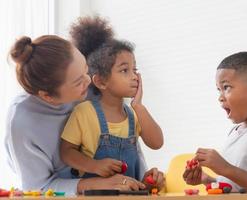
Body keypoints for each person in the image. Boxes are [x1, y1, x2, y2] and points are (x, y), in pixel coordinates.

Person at [5, 35, 147, 194]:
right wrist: (96, 184)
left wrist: (144, 178)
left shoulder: (91, 91)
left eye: (86, 70)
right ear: (47, 96)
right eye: (78, 82)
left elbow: (128, 138)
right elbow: (38, 188)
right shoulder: (21, 124)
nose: (89, 80)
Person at [60, 16, 164, 190]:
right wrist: (94, 166)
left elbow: (157, 143)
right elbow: (66, 152)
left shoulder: (134, 114)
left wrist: (138, 106)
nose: (133, 76)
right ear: (101, 82)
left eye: (135, 69)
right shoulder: (84, 112)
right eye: (124, 70)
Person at [183, 52, 247, 192]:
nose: (220, 97)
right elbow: (234, 187)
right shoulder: (234, 132)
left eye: (226, 87)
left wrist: (226, 169)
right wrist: (207, 180)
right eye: (218, 90)